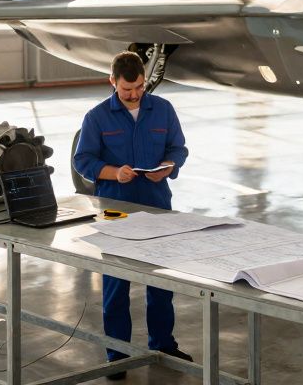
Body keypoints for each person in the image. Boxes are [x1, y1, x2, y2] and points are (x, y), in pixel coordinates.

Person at [74, 51, 192, 378]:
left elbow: (178, 148)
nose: (134, 94)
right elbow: (83, 160)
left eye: (139, 87)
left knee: (160, 280)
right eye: (127, 89)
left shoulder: (163, 109)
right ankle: (118, 355)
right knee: (116, 283)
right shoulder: (97, 117)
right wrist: (113, 173)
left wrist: (169, 167)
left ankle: (162, 344)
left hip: (156, 205)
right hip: (115, 209)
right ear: (112, 82)